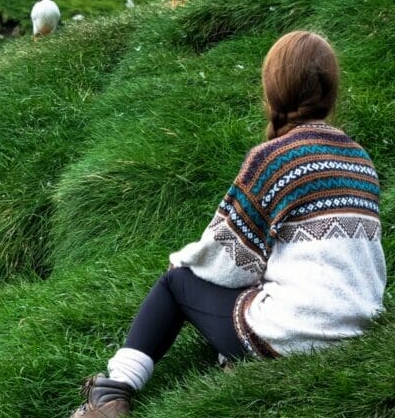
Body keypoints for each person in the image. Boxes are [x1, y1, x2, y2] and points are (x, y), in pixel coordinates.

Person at [71, 31, 386, 417]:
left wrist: (181, 262)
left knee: (177, 284)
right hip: (358, 325)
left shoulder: (273, 159)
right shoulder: (361, 161)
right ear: (331, 92)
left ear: (272, 91)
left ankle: (111, 391)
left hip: (301, 330)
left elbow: (224, 259)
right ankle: (232, 360)